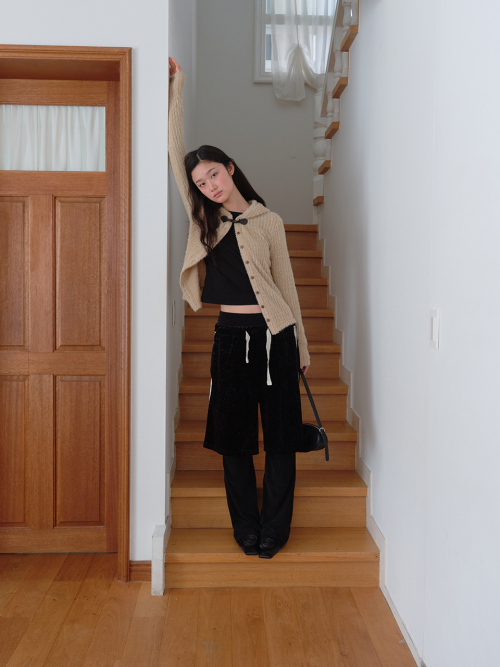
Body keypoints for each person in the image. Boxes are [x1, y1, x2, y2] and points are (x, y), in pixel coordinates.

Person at [168, 56, 310, 559]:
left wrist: (302, 347)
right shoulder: (203, 219)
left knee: (281, 439)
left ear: (229, 168)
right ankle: (245, 526)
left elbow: (287, 287)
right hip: (231, 339)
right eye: (201, 183)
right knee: (234, 438)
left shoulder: (269, 221)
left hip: (277, 337)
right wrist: (177, 87)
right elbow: (175, 152)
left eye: (214, 174)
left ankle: (275, 528)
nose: (210, 186)